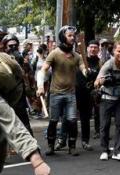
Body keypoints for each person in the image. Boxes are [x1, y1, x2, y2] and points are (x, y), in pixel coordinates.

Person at [37, 25, 87, 156]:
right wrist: (40, 85)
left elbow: (83, 69)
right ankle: (50, 146)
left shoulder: (77, 56)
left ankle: (72, 146)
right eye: (70, 35)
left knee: (72, 120)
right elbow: (43, 70)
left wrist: (88, 73)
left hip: (70, 94)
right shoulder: (54, 53)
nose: (73, 38)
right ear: (62, 37)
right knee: (53, 121)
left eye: (73, 36)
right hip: (55, 94)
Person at [95, 40, 120, 162]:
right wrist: (102, 81)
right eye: (119, 51)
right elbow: (96, 82)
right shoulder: (108, 64)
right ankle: (104, 150)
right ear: (114, 51)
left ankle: (117, 151)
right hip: (106, 99)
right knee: (105, 125)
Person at [76, 40, 101, 151]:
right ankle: (64, 140)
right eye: (91, 47)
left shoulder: (100, 63)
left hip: (90, 94)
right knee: (69, 117)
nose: (93, 49)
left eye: (95, 47)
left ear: (98, 49)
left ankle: (85, 141)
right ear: (87, 48)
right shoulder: (81, 60)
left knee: (85, 118)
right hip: (76, 92)